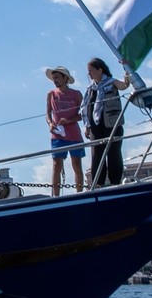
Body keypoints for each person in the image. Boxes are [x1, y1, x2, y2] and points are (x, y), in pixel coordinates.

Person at [81, 57, 131, 187]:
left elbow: (124, 86)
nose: (89, 74)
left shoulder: (112, 82)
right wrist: (87, 127)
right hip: (96, 125)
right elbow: (87, 107)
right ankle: (98, 183)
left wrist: (127, 70)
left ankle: (115, 182)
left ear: (100, 70)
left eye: (91, 70)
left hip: (112, 123)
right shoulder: (91, 88)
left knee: (114, 152)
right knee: (96, 154)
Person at [45, 65, 85, 196]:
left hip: (74, 133)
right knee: (56, 165)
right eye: (53, 78)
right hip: (58, 134)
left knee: (77, 164)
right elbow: (47, 113)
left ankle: (79, 193)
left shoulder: (77, 94)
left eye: (57, 77)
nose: (55, 80)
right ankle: (55, 196)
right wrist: (50, 123)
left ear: (65, 78)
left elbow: (83, 114)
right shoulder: (51, 94)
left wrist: (69, 120)